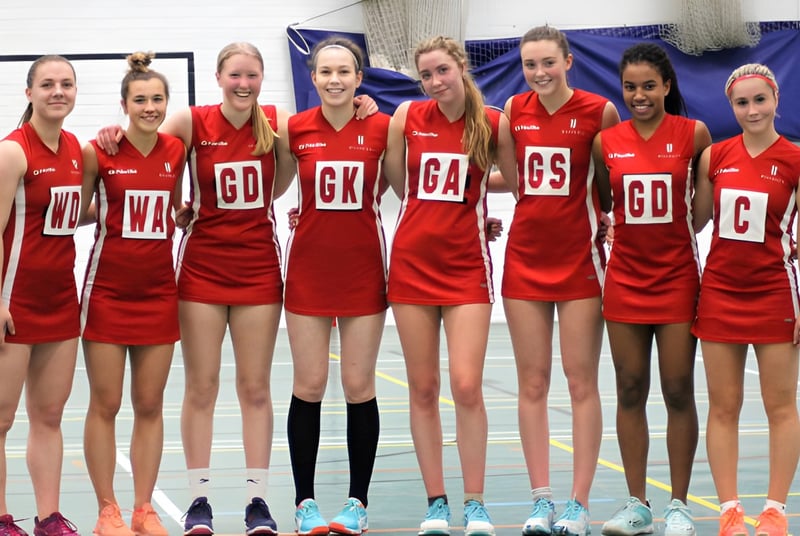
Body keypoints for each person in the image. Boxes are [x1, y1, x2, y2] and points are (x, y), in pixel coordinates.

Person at [97, 41, 376, 536]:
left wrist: (362, 103)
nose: (243, 84)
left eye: (251, 76)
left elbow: (313, 146)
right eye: (235, 76)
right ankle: (199, 499)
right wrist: (114, 130)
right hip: (201, 271)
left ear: (261, 78)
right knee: (201, 387)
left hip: (259, 270)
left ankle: (256, 501)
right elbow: (147, 144)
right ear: (219, 78)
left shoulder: (279, 123)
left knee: (255, 388)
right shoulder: (192, 122)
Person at [493, 25, 620, 536]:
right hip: (524, 259)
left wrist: (606, 219)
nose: (539, 73)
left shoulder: (600, 111)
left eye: (548, 62)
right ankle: (540, 499)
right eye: (530, 65)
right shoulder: (511, 113)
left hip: (580, 263)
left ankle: (578, 503)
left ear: (568, 61)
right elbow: (509, 176)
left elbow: (609, 187)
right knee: (532, 382)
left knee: (580, 380)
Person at [383, 35, 505, 536]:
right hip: (411, 264)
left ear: (461, 67)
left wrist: (476, 203)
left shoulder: (492, 122)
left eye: (442, 71)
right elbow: (399, 182)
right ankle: (436, 501)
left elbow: (516, 177)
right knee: (424, 387)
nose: (435, 82)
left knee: (466, 384)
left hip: (465, 269)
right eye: (426, 75)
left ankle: (475, 500)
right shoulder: (406, 118)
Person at [591, 43, 711, 536]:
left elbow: (702, 207)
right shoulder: (607, 141)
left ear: (666, 86)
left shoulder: (694, 134)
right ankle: (637, 503)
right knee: (630, 387)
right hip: (625, 280)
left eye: (648, 86)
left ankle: (678, 504)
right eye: (629, 87)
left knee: (679, 389)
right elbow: (603, 200)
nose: (639, 95)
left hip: (679, 278)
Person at [276, 36, 390, 536]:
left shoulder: (383, 127)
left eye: (344, 71)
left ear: (359, 78)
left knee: (358, 386)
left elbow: (402, 181)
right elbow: (272, 184)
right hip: (308, 271)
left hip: (364, 270)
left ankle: (357, 504)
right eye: (325, 72)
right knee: (309, 385)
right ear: (313, 77)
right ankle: (305, 503)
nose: (335, 80)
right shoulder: (294, 129)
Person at [80, 52, 186, 536]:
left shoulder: (176, 150)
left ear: (167, 103)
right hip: (106, 292)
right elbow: (76, 210)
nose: (149, 107)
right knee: (106, 403)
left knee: (150, 403)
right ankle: (108, 510)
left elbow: (178, 204)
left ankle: (144, 508)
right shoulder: (98, 151)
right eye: (140, 99)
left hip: (160, 291)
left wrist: (181, 215)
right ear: (123, 104)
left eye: (157, 99)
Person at [692, 63, 800, 536]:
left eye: (760, 99)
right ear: (731, 106)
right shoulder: (714, 156)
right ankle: (730, 511)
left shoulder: (795, 159)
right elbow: (691, 222)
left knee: (781, 405)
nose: (752, 109)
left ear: (776, 99)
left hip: (775, 291)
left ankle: (775, 509)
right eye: (742, 102)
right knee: (724, 405)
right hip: (719, 292)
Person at [0, 55, 82, 536]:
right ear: (28, 92)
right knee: (2, 419)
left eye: (66, 84)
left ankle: (49, 518)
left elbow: (68, 213)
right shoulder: (13, 151)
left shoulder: (76, 147)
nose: (57, 91)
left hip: (60, 301)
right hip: (15, 302)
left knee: (49, 416)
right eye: (47, 84)